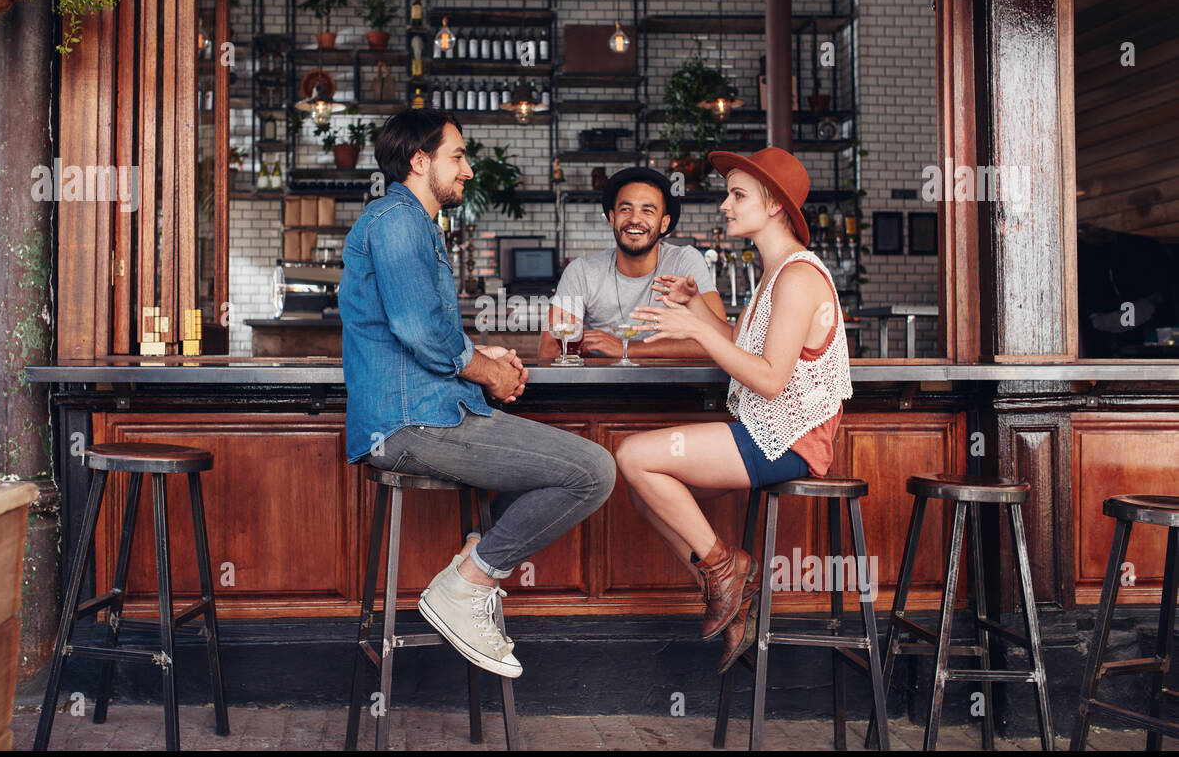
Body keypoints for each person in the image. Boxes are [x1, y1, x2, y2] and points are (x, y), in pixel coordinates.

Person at [339, 108, 616, 679]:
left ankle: (474, 562)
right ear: (420, 161)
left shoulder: (417, 223)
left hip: (433, 414)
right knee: (592, 471)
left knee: (584, 470)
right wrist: (488, 372)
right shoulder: (397, 219)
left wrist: (489, 359)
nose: (468, 169)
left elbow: (433, 330)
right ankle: (465, 584)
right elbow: (417, 329)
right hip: (408, 425)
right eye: (458, 156)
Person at [614, 147, 852, 674]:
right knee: (642, 489)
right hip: (763, 431)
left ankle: (727, 567)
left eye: (738, 195)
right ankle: (732, 593)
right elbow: (739, 343)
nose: (725, 205)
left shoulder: (798, 277)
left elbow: (768, 378)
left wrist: (694, 329)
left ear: (773, 206)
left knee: (632, 455)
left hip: (789, 439)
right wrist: (696, 303)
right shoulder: (774, 274)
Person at [536, 167, 728, 361]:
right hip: (600, 387)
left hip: (676, 387)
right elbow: (549, 350)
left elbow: (721, 343)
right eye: (625, 209)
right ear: (612, 218)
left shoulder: (684, 260)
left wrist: (624, 349)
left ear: (664, 223)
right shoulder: (582, 272)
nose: (635, 219)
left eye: (648, 210)